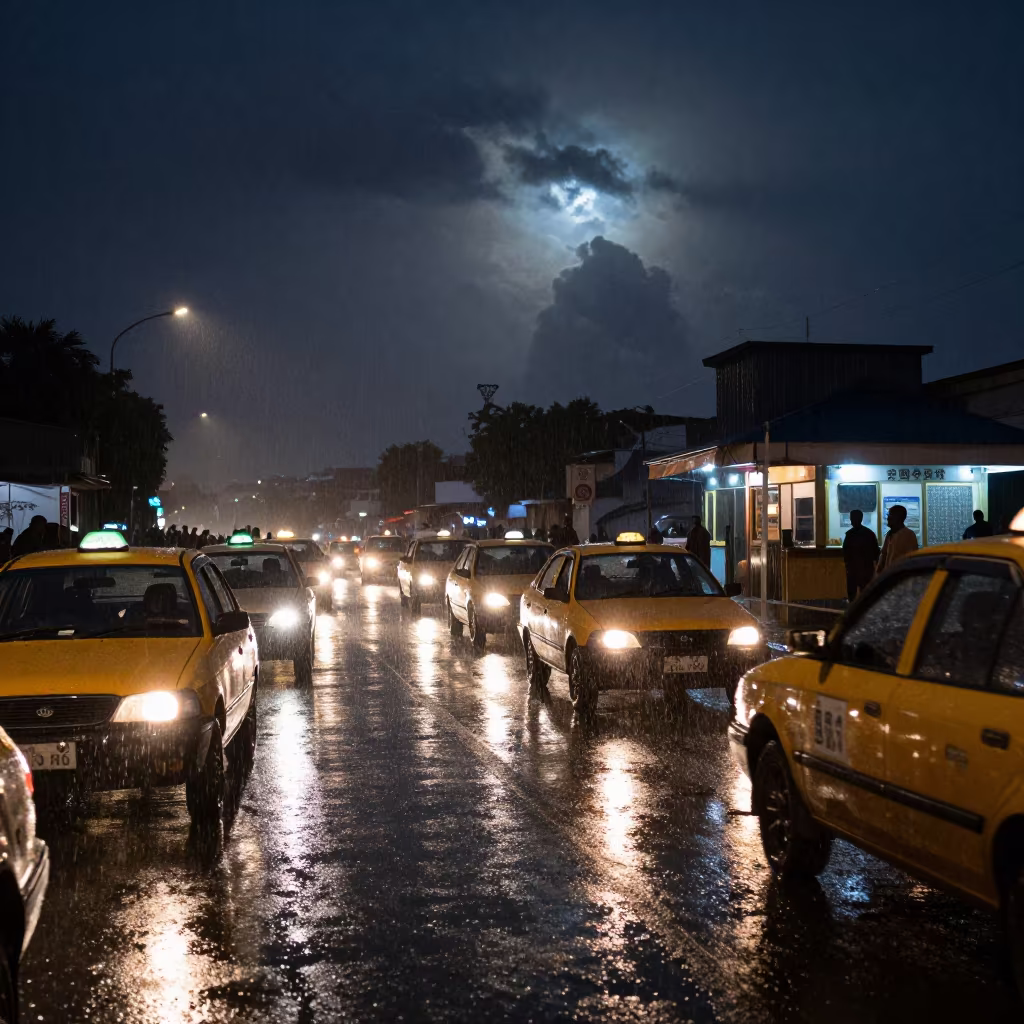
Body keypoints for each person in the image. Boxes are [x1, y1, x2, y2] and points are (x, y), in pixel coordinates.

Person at [842, 509, 879, 601]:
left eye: (852, 519)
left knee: (852, 594)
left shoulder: (849, 535)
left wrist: (847, 565)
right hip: (866, 569)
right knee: (866, 595)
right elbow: (876, 553)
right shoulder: (869, 534)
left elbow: (845, 552)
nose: (851, 521)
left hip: (853, 569)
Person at [877, 504, 918, 572]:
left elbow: (911, 559)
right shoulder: (889, 534)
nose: (888, 518)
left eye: (890, 515)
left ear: (898, 518)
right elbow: (884, 553)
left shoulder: (908, 535)